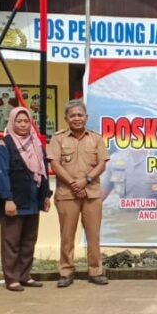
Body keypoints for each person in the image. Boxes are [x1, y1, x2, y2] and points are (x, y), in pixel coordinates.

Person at [47, 100, 108, 288]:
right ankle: (66, 271)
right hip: (67, 194)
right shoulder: (58, 139)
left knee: (93, 235)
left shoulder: (96, 138)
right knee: (67, 235)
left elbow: (102, 164)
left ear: (86, 117)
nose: (76, 118)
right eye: (72, 115)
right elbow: (54, 164)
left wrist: (86, 181)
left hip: (92, 193)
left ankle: (95, 270)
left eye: (80, 115)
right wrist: (74, 183)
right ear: (66, 118)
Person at [0, 106, 52, 291]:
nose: (23, 124)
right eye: (19, 121)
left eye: (26, 121)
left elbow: (43, 172)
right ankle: (11, 279)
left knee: (29, 240)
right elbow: (1, 174)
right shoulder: (4, 145)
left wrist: (45, 195)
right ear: (11, 122)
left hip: (33, 199)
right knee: (11, 241)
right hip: (14, 201)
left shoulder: (36, 144)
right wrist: (7, 199)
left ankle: (25, 275)